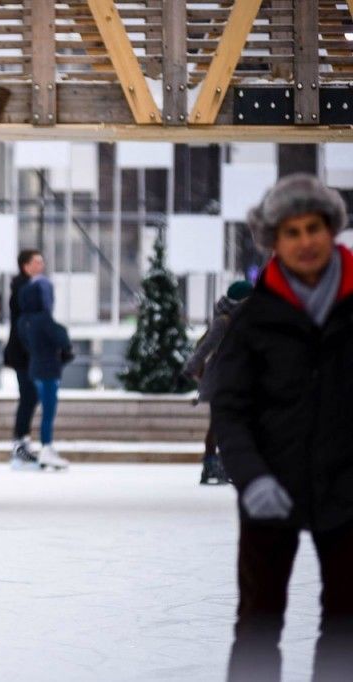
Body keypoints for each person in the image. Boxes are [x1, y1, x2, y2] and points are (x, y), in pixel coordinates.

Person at [213, 174, 353, 682]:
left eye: (312, 227)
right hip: (271, 488)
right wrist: (253, 479)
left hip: (346, 492)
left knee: (346, 623)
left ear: (331, 229)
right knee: (258, 622)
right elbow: (229, 410)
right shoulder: (254, 319)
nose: (305, 241)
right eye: (290, 232)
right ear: (274, 242)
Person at [183, 279, 253, 485]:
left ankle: (214, 465)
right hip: (221, 381)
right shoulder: (224, 321)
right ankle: (213, 465)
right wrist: (190, 369)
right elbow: (205, 348)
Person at [17, 267, 72, 471]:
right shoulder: (44, 320)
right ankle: (47, 448)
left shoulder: (24, 321)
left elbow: (26, 344)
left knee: (42, 409)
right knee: (49, 411)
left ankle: (43, 447)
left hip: (34, 368)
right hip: (49, 369)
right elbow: (62, 338)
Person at [4, 249, 43, 468]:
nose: (41, 266)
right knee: (29, 395)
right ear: (25, 266)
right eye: (37, 262)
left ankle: (22, 441)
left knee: (30, 395)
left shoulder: (27, 287)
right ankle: (20, 444)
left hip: (25, 350)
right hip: (23, 351)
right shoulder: (24, 289)